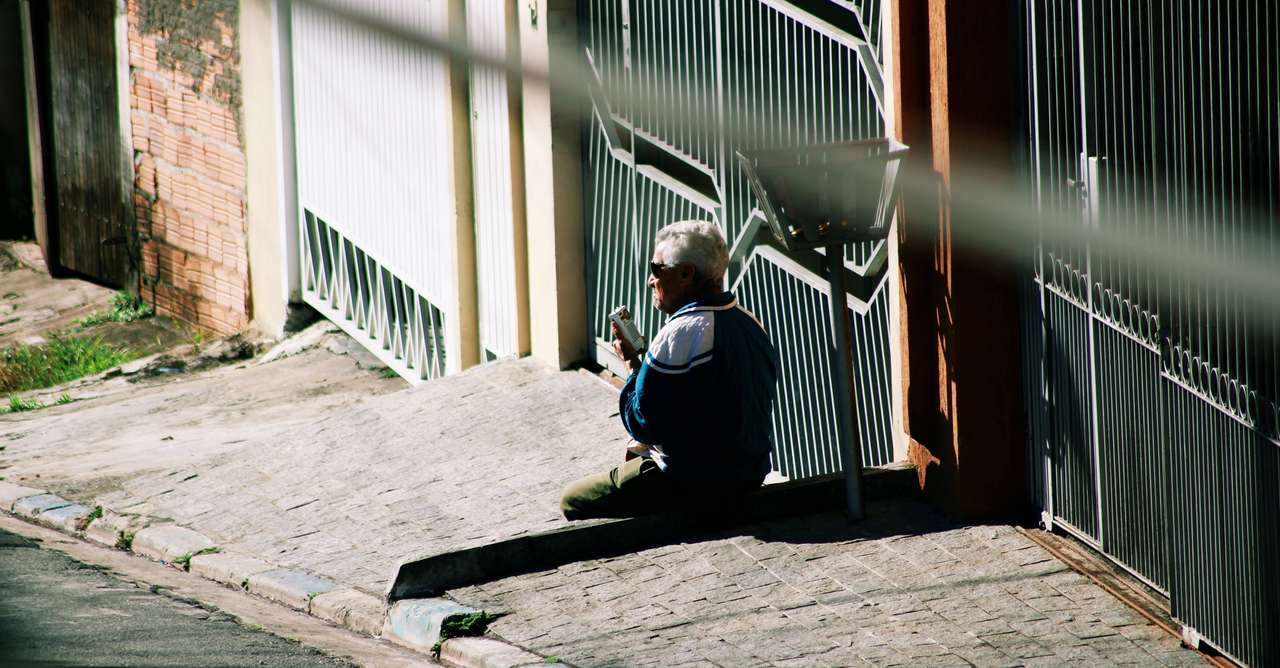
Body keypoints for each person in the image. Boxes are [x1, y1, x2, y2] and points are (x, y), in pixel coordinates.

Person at [560, 220, 780, 520]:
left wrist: (632, 364)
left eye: (657, 269)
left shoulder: (680, 333)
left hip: (693, 483)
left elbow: (643, 422)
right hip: (749, 474)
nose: (651, 281)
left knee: (572, 499)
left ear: (686, 273)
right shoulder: (749, 322)